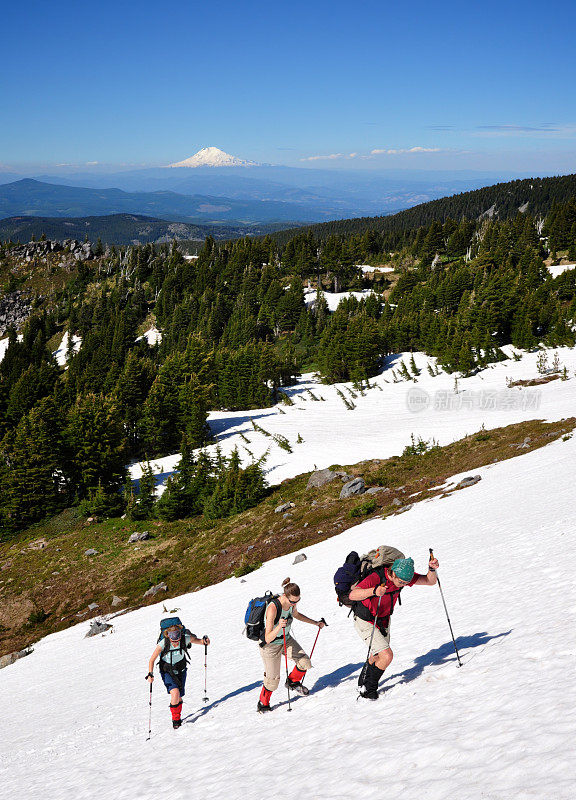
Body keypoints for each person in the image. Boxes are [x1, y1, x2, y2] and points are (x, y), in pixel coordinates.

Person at [348, 554, 439, 700]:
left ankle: (362, 682)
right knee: (387, 655)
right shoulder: (377, 577)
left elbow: (429, 581)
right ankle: (368, 691)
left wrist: (431, 569)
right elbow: (353, 595)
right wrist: (373, 591)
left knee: (378, 654)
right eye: (401, 581)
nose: (403, 584)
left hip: (383, 619)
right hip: (365, 619)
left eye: (406, 582)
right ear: (393, 572)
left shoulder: (404, 576)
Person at [257, 577, 326, 713]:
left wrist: (315, 623)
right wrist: (279, 627)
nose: (295, 603)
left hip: (285, 640)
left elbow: (297, 615)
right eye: (293, 601)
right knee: (272, 681)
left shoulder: (292, 604)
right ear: (285, 596)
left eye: (297, 600)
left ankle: (292, 683)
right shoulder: (273, 608)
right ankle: (262, 704)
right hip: (270, 646)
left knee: (304, 662)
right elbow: (268, 637)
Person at [146, 620, 210, 728]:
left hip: (181, 670)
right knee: (175, 693)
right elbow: (152, 660)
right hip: (167, 671)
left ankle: (177, 716)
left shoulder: (185, 638)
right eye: (172, 638)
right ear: (168, 636)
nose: (175, 641)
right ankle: (176, 722)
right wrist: (150, 674)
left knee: (179, 696)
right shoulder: (163, 643)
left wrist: (205, 641)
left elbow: (199, 641)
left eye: (178, 637)